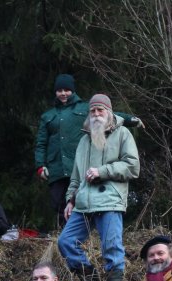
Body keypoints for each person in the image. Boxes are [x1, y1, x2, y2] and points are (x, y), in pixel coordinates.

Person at [35, 74, 143, 231]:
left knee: (79, 198)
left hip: (76, 163)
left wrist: (131, 119)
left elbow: (109, 114)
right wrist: (40, 165)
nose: (63, 93)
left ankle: (86, 235)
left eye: (67, 90)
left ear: (72, 91)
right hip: (56, 166)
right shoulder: (48, 116)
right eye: (59, 90)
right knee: (58, 201)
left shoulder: (86, 108)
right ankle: (62, 233)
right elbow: (41, 143)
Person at [57, 94, 140, 281]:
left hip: (109, 199)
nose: (96, 114)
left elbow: (132, 166)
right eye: (92, 110)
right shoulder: (84, 141)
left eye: (100, 110)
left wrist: (102, 172)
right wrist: (70, 200)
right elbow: (76, 176)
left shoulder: (123, 134)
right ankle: (91, 280)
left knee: (111, 248)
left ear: (109, 112)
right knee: (66, 242)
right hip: (84, 202)